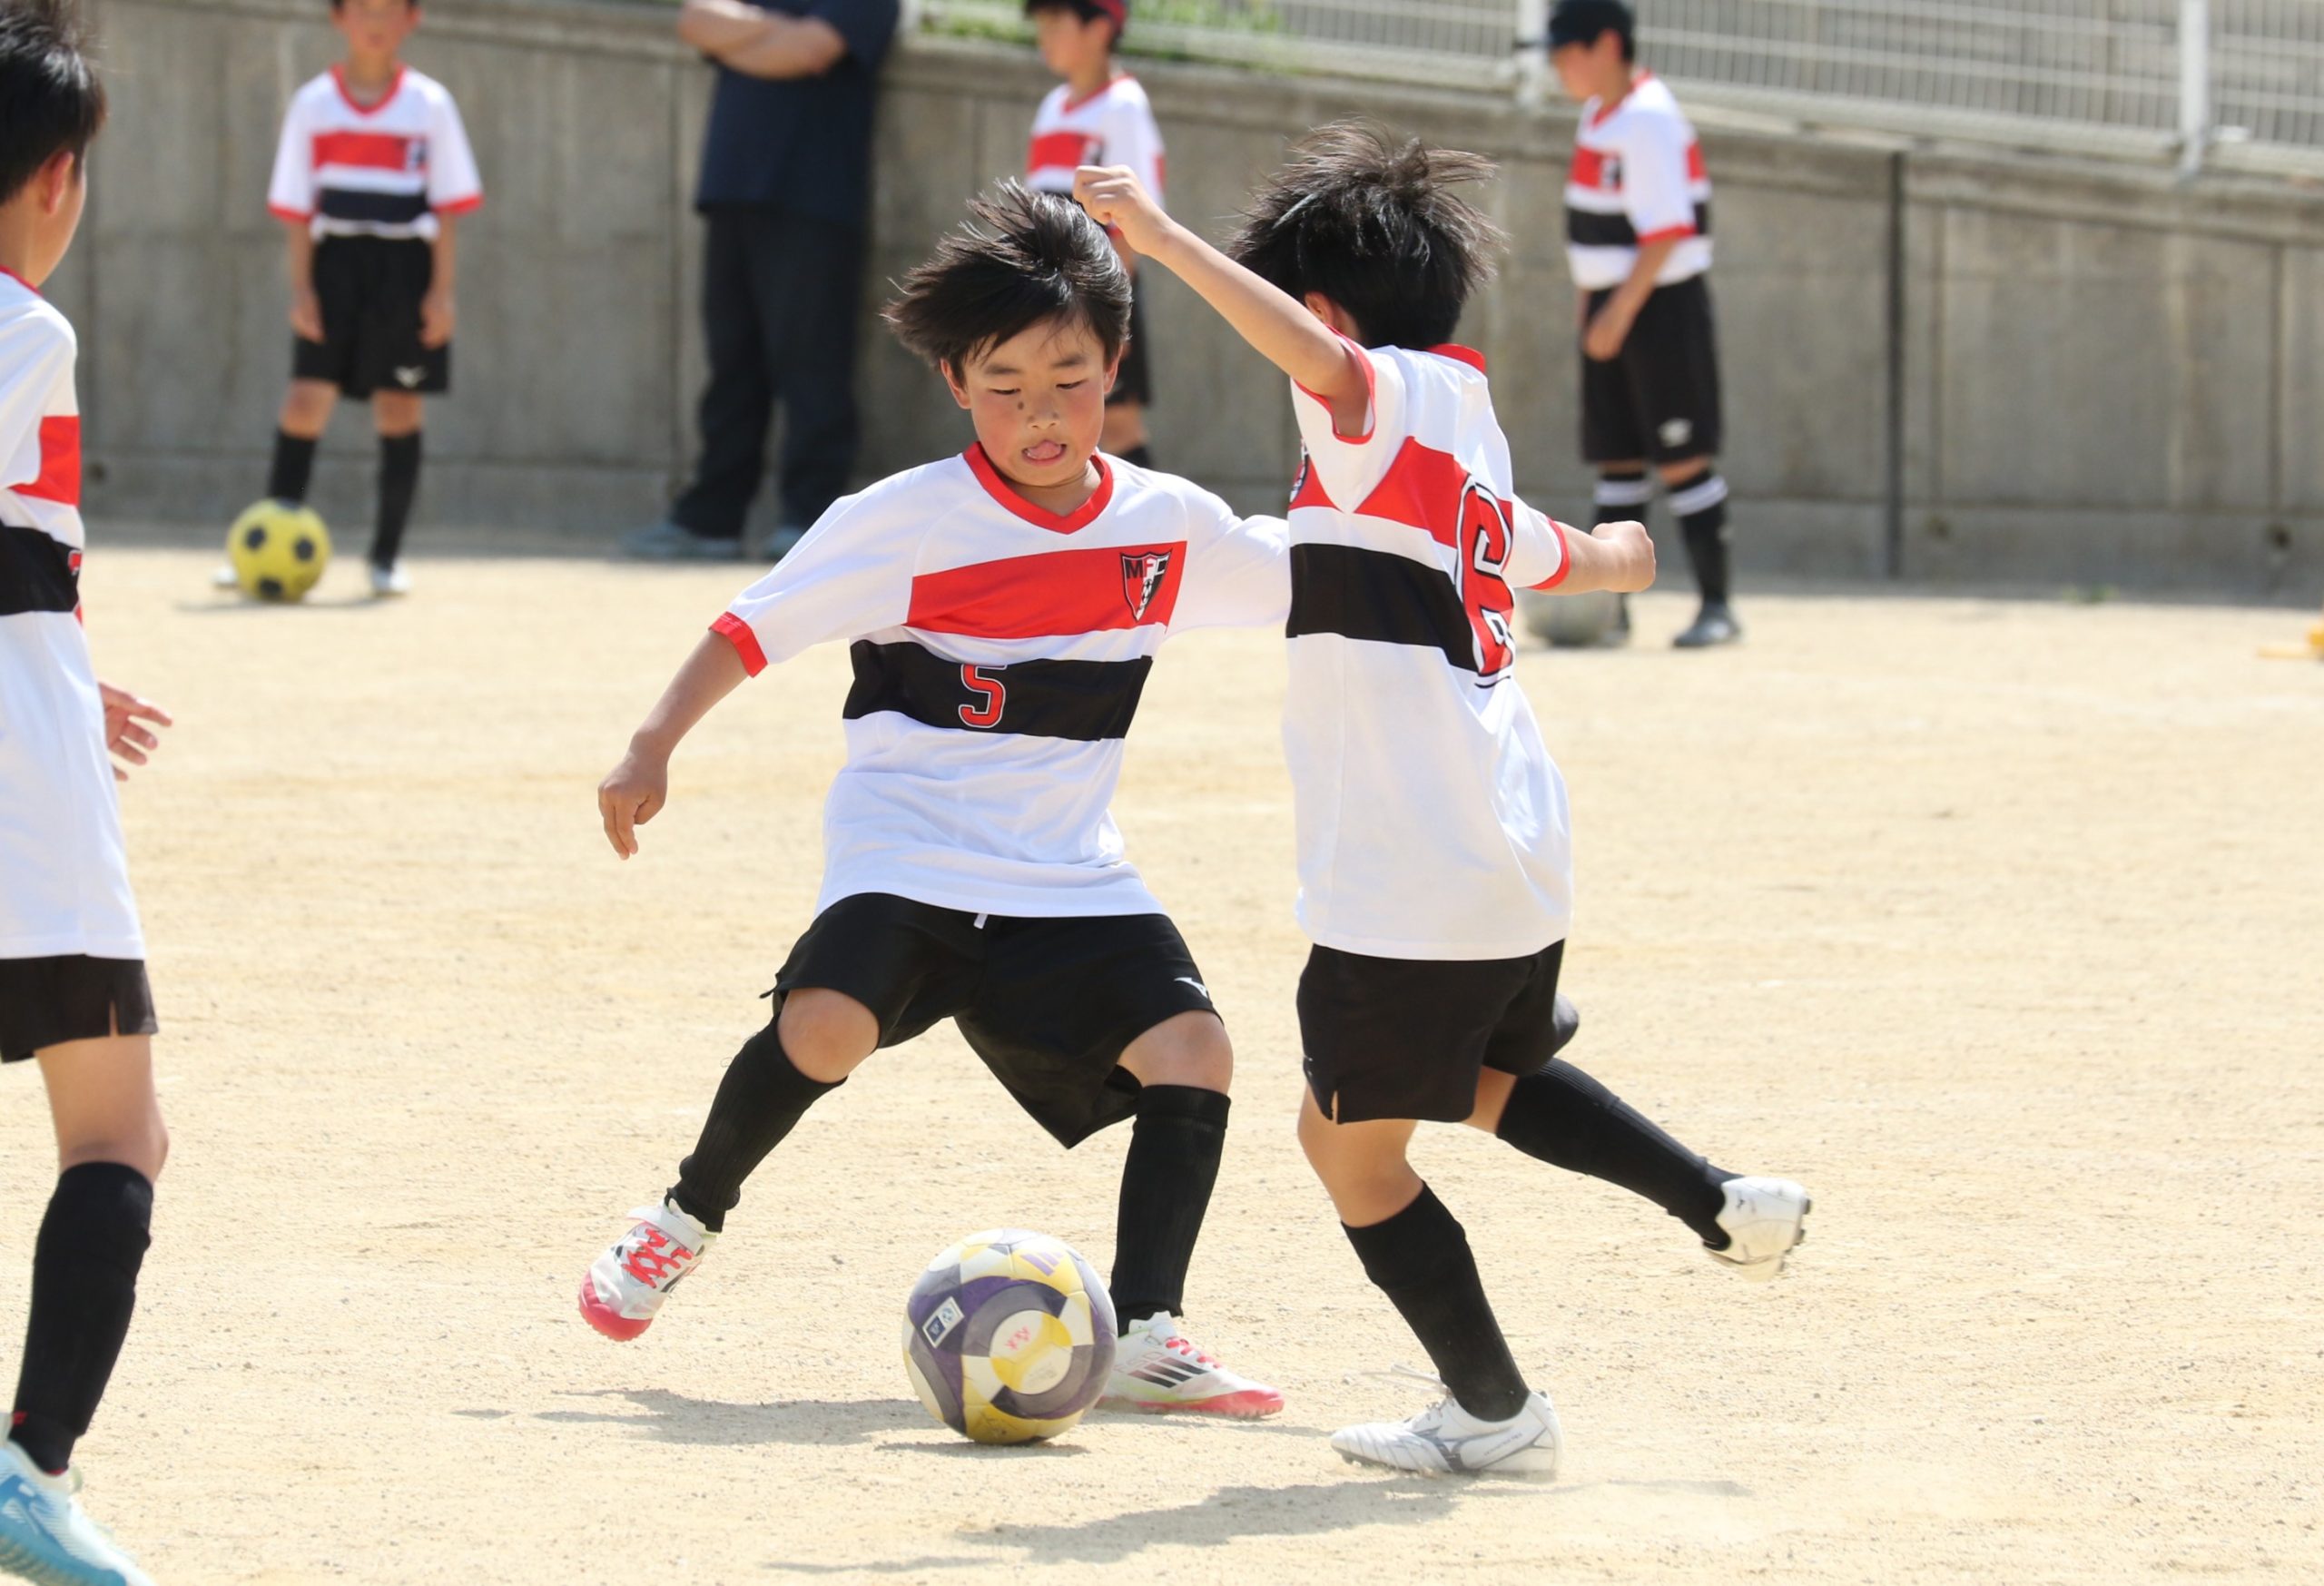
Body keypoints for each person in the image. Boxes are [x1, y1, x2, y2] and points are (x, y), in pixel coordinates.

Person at [1077, 127, 1809, 1475]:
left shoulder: (1368, 405)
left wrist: (1163, 243)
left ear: (1329, 308)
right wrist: (1624, 556)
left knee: (1347, 1151)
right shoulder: (1461, 418)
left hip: (1409, 866)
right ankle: (1721, 1199)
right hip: (1511, 853)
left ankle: (1492, 1409)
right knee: (1483, 1077)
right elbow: (1554, 548)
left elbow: (1323, 364)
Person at [579, 182, 1289, 1418]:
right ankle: (682, 1215)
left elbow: (1319, 579)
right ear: (957, 383)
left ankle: (1147, 1331)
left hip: (1065, 867)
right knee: (825, 1026)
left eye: (1068, 379)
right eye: (1004, 386)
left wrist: (1480, 555)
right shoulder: (904, 520)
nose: (1040, 413)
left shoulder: (1167, 526)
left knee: (1195, 1049)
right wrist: (650, 745)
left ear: (1115, 368)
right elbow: (752, 628)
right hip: (907, 847)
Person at [0, 5, 171, 1580]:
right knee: (116, 1134)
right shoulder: (27, 329)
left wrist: (58, 662)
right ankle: (29, 1469)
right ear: (55, 176)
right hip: (24, 801)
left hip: (30, 711)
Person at [621, 0, 900, 563]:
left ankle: (811, 518)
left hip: (814, 197)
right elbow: (695, 20)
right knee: (731, 363)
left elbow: (811, 50)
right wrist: (778, 33)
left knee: (812, 363)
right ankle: (711, 519)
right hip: (731, 187)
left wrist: (743, 37)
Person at [244, 0, 482, 599]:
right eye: (362, 8)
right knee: (305, 401)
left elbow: (449, 208)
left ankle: (385, 557)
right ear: (339, 17)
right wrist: (303, 288)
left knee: (399, 406)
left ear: (412, 18)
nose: (375, 21)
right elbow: (297, 209)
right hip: (336, 266)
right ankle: (269, 541)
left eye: (388, 9)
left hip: (405, 268)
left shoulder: (430, 104)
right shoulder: (312, 104)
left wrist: (441, 294)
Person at [1547, 0, 1737, 648]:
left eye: (1567, 52)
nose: (1559, 67)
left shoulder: (1648, 118)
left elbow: (1667, 231)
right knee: (1618, 459)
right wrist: (1591, 306)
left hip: (1659, 304)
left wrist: (1620, 311)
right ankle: (1611, 610)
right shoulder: (1600, 115)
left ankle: (1717, 604)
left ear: (1607, 45)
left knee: (1683, 458)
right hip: (1614, 303)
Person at [1023, 0, 1162, 468]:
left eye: (1055, 23)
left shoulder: (1124, 105)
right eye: (1041, 23)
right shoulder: (1051, 107)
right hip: (1051, 292)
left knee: (1117, 424)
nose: (1043, 35)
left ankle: (1155, 516)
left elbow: (1135, 223)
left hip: (1100, 292)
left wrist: (1111, 312)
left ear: (1100, 29)